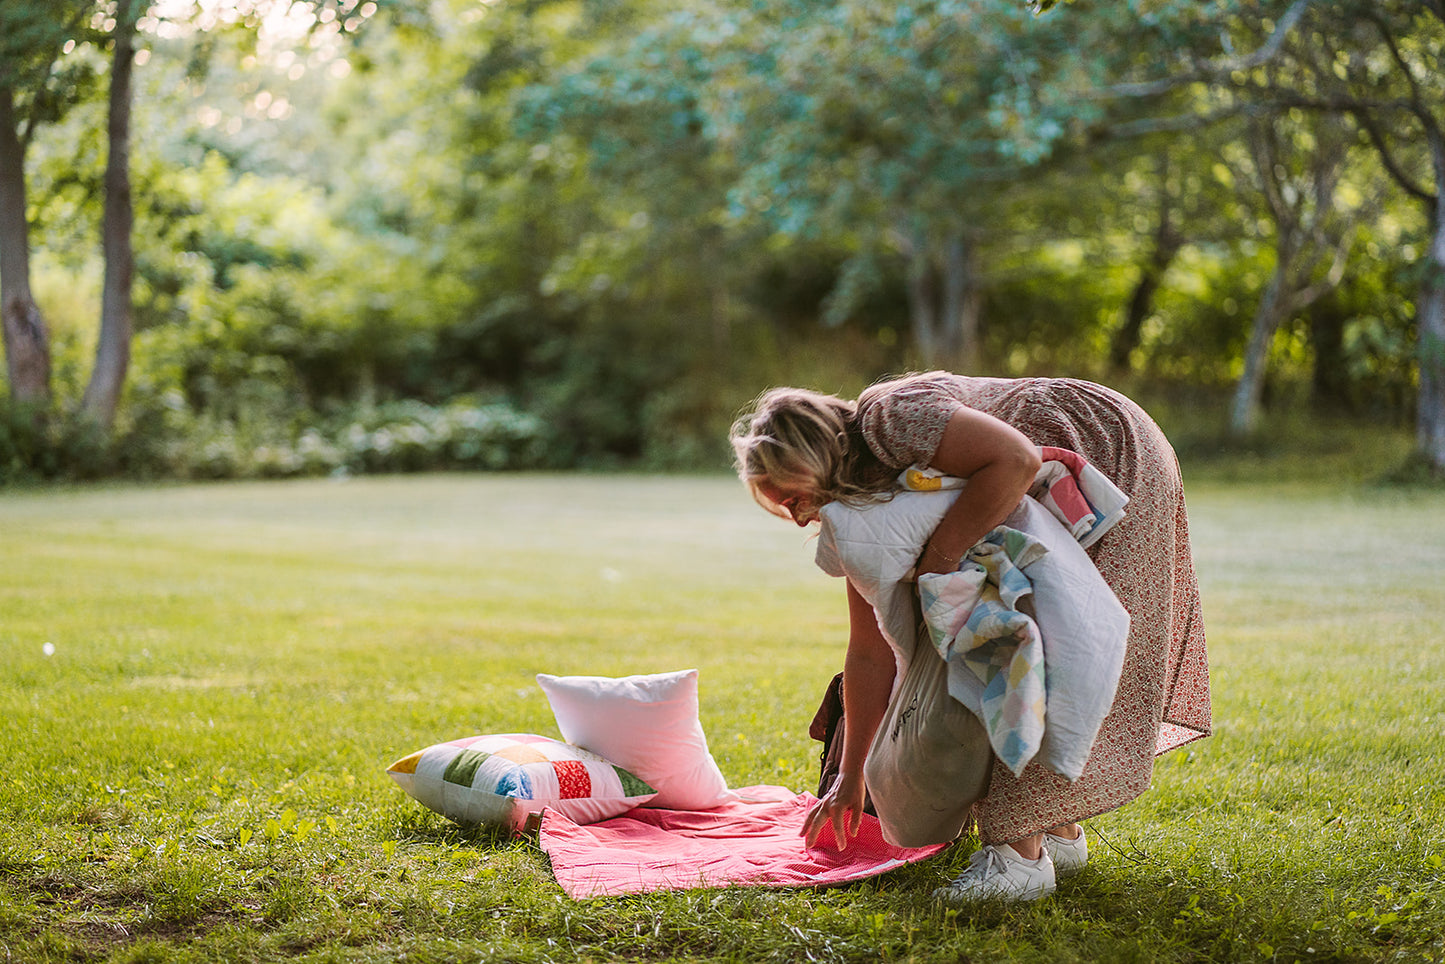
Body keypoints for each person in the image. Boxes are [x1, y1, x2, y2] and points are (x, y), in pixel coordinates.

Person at [730, 371, 1211, 901]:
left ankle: (1018, 859)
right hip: (1085, 454)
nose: (799, 520)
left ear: (814, 463)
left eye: (794, 500)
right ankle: (1059, 833)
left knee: (1021, 651)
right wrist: (851, 776)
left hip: (1105, 444)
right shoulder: (866, 515)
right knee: (998, 639)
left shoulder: (888, 418)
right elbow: (869, 655)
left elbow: (1017, 460)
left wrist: (940, 565)